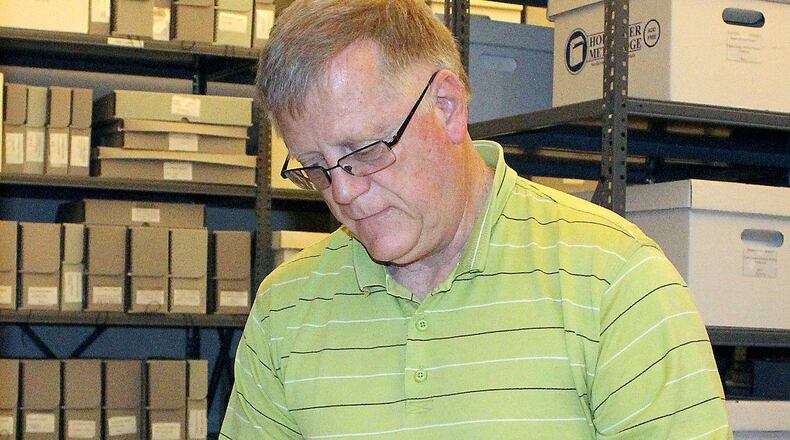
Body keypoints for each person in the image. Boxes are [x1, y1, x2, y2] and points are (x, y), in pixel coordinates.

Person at [221, 0, 732, 438]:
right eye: (315, 167)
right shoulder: (285, 309)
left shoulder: (614, 280)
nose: (344, 192)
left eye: (366, 150)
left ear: (446, 106)